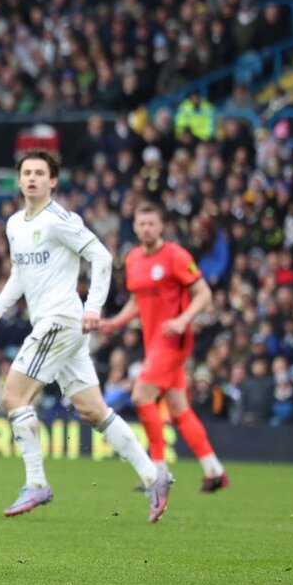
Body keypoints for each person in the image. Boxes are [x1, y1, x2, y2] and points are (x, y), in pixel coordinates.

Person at [0, 149, 171, 523]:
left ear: (53, 181)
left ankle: (36, 482)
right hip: (59, 326)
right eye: (27, 173)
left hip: (61, 321)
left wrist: (93, 307)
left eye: (40, 173)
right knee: (93, 410)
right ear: (19, 180)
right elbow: (20, 274)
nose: (33, 178)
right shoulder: (15, 224)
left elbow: (101, 257)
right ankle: (153, 475)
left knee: (13, 395)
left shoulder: (60, 220)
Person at [101, 200, 228, 492]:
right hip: (153, 341)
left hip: (173, 340)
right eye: (141, 223)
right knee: (178, 408)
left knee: (141, 394)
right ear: (134, 226)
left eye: (151, 223)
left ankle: (158, 470)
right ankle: (214, 470)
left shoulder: (175, 256)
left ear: (161, 227)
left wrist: (183, 320)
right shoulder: (133, 259)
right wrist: (115, 323)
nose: (146, 228)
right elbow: (137, 301)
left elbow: (203, 293)